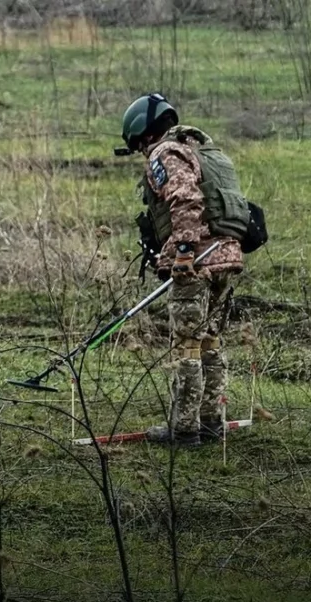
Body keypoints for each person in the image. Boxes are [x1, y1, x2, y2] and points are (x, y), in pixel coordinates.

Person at [120, 93, 248, 448]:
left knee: (188, 345)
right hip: (226, 256)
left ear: (144, 136)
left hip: (197, 260)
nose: (143, 153)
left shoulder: (165, 154)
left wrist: (183, 252)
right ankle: (211, 424)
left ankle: (184, 429)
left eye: (138, 146)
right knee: (210, 341)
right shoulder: (205, 151)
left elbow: (185, 199)